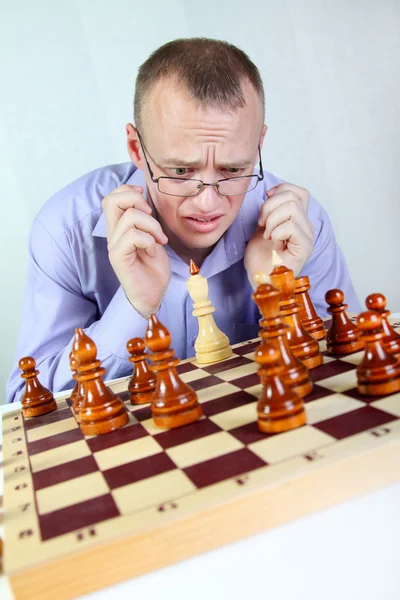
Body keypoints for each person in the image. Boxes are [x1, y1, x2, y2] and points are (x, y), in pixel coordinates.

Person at [7, 38, 360, 403]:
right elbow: (26, 402)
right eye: (179, 170)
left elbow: (348, 372)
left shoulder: (296, 222)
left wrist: (278, 295)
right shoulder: (66, 230)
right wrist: (134, 307)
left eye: (234, 169)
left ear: (258, 145)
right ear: (136, 149)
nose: (208, 202)